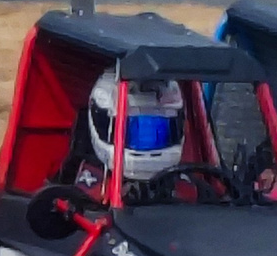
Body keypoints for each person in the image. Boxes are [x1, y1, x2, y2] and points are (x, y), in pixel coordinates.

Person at [64, 70, 186, 202]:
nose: (146, 141)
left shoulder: (189, 187)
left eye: (159, 131)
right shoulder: (83, 189)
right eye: (134, 131)